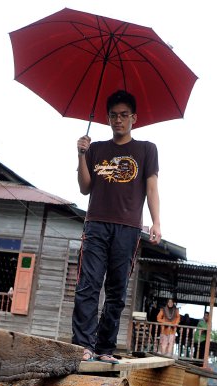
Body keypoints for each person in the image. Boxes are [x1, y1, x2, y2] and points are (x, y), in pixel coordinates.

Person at [72, 89, 161, 364]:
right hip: (96, 224)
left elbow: (152, 187)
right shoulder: (96, 148)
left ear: (133, 118)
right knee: (88, 285)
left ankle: (104, 348)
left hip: (128, 228)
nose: (118, 120)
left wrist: (156, 221)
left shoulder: (146, 149)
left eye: (124, 115)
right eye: (113, 116)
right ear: (108, 119)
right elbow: (85, 188)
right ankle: (82, 346)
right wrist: (80, 155)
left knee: (116, 291)